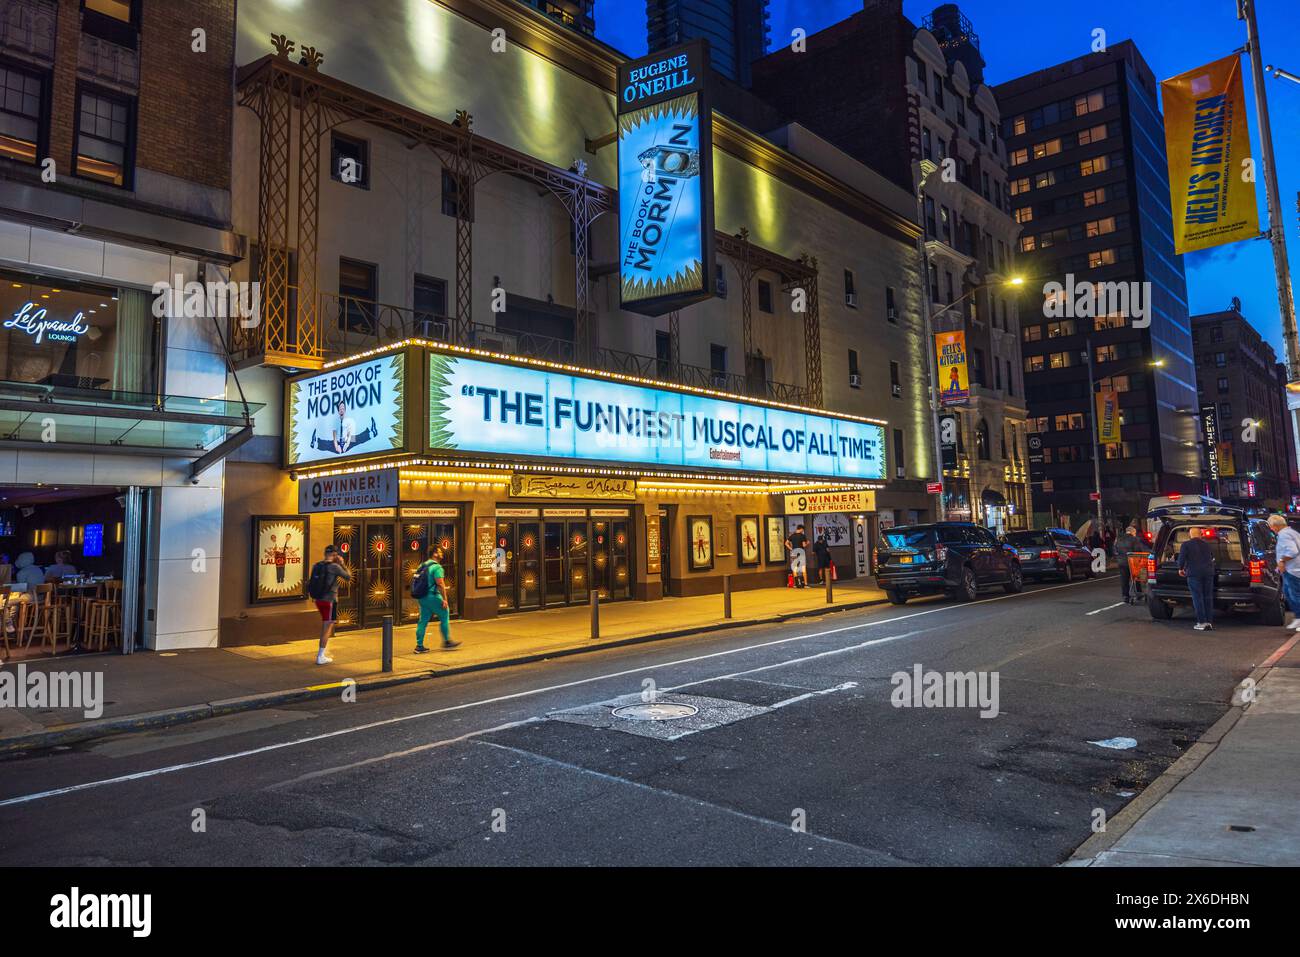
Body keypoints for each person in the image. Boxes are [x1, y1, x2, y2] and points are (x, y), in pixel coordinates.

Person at [307, 545, 351, 665]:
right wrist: (342, 564)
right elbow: (348, 577)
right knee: (327, 627)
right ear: (335, 555)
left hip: (318, 599)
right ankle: (321, 656)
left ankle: (322, 654)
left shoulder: (317, 565)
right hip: (329, 600)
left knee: (326, 624)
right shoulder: (335, 567)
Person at [413, 546, 459, 653]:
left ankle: (419, 646)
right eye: (439, 552)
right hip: (433, 596)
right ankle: (447, 641)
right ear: (434, 554)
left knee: (423, 621)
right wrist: (445, 599)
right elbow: (440, 584)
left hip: (422, 597)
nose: (442, 553)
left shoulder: (422, 565)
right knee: (444, 614)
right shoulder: (437, 567)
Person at [1177, 528, 1216, 631]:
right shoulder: (1207, 544)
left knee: (1197, 597)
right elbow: (1212, 558)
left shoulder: (1186, 545)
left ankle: (1201, 622)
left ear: (1190, 535)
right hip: (1208, 573)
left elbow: (1181, 559)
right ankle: (1209, 622)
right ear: (1201, 535)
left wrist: (1180, 569)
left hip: (1194, 573)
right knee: (1208, 597)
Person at [1268, 514, 1300, 631]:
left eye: (1271, 526)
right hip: (1295, 569)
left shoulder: (1284, 535)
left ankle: (1299, 618)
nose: (1271, 529)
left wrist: (1281, 561)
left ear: (1275, 526)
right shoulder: (1292, 532)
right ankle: (1298, 618)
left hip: (1292, 570)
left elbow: (1292, 551)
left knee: (1294, 595)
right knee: (1289, 593)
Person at [1114, 524, 1144, 602]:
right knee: (1136, 577)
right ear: (1132, 532)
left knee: (1124, 579)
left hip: (1121, 562)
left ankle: (1125, 596)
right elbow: (1138, 550)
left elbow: (1115, 549)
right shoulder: (1134, 539)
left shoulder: (1119, 539)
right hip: (1132, 562)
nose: (1135, 534)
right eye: (1135, 533)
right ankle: (1138, 593)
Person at [785, 523, 809, 588]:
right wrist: (807, 543)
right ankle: (806, 584)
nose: (803, 531)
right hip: (801, 553)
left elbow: (786, 543)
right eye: (803, 530)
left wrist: (791, 549)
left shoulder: (792, 535)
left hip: (793, 553)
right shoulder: (802, 536)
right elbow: (804, 545)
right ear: (801, 529)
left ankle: (796, 584)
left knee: (794, 568)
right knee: (803, 568)